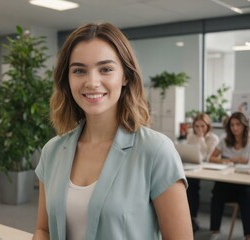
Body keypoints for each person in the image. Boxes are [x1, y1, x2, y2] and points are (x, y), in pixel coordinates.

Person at [33, 22, 193, 240]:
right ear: (67, 79)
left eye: (106, 69)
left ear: (125, 76)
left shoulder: (156, 151)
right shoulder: (52, 152)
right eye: (79, 70)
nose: (92, 82)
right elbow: (44, 230)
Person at [209, 112, 250, 240]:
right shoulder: (225, 139)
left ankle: (247, 235)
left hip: (243, 183)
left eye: (238, 124)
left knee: (247, 196)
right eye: (232, 125)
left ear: (244, 126)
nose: (235, 128)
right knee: (217, 192)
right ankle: (215, 231)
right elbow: (212, 158)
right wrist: (230, 160)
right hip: (227, 181)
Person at [185, 113, 219, 232]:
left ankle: (193, 217)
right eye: (197, 126)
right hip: (192, 167)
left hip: (206, 167)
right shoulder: (190, 135)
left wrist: (201, 138)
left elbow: (207, 156)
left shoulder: (214, 138)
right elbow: (189, 152)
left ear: (208, 126)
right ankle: (188, 218)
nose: (199, 129)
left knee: (193, 187)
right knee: (189, 185)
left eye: (202, 126)